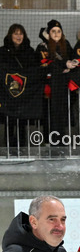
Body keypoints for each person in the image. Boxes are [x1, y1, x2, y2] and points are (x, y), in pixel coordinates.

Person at [0, 24, 43, 154]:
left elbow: (35, 70)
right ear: (10, 35)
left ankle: (22, 148)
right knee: (9, 120)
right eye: (16, 33)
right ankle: (8, 148)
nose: (19, 36)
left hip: (25, 93)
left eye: (21, 33)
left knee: (23, 120)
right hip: (8, 94)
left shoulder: (30, 51)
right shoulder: (2, 51)